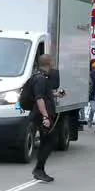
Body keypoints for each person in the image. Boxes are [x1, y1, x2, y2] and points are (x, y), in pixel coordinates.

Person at [30, 54, 67, 183]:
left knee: (48, 141)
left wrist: (57, 94)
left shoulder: (41, 77)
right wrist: (45, 116)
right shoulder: (40, 78)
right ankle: (39, 169)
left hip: (43, 114)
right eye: (51, 62)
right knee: (50, 140)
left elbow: (45, 93)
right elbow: (39, 98)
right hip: (42, 115)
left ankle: (40, 169)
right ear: (49, 63)